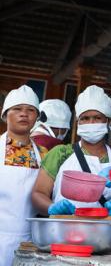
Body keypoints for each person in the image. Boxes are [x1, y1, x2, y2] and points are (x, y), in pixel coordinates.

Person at [31, 85, 111, 217]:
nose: (91, 122)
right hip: (62, 232)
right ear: (78, 122)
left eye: (97, 117)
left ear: (108, 121)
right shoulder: (60, 153)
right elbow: (38, 193)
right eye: (85, 118)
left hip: (105, 234)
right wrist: (52, 208)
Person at [0, 85, 43, 266]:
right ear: (5, 115)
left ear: (37, 117)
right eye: (17, 109)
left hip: (31, 240)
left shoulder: (44, 154)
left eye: (30, 110)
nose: (24, 114)